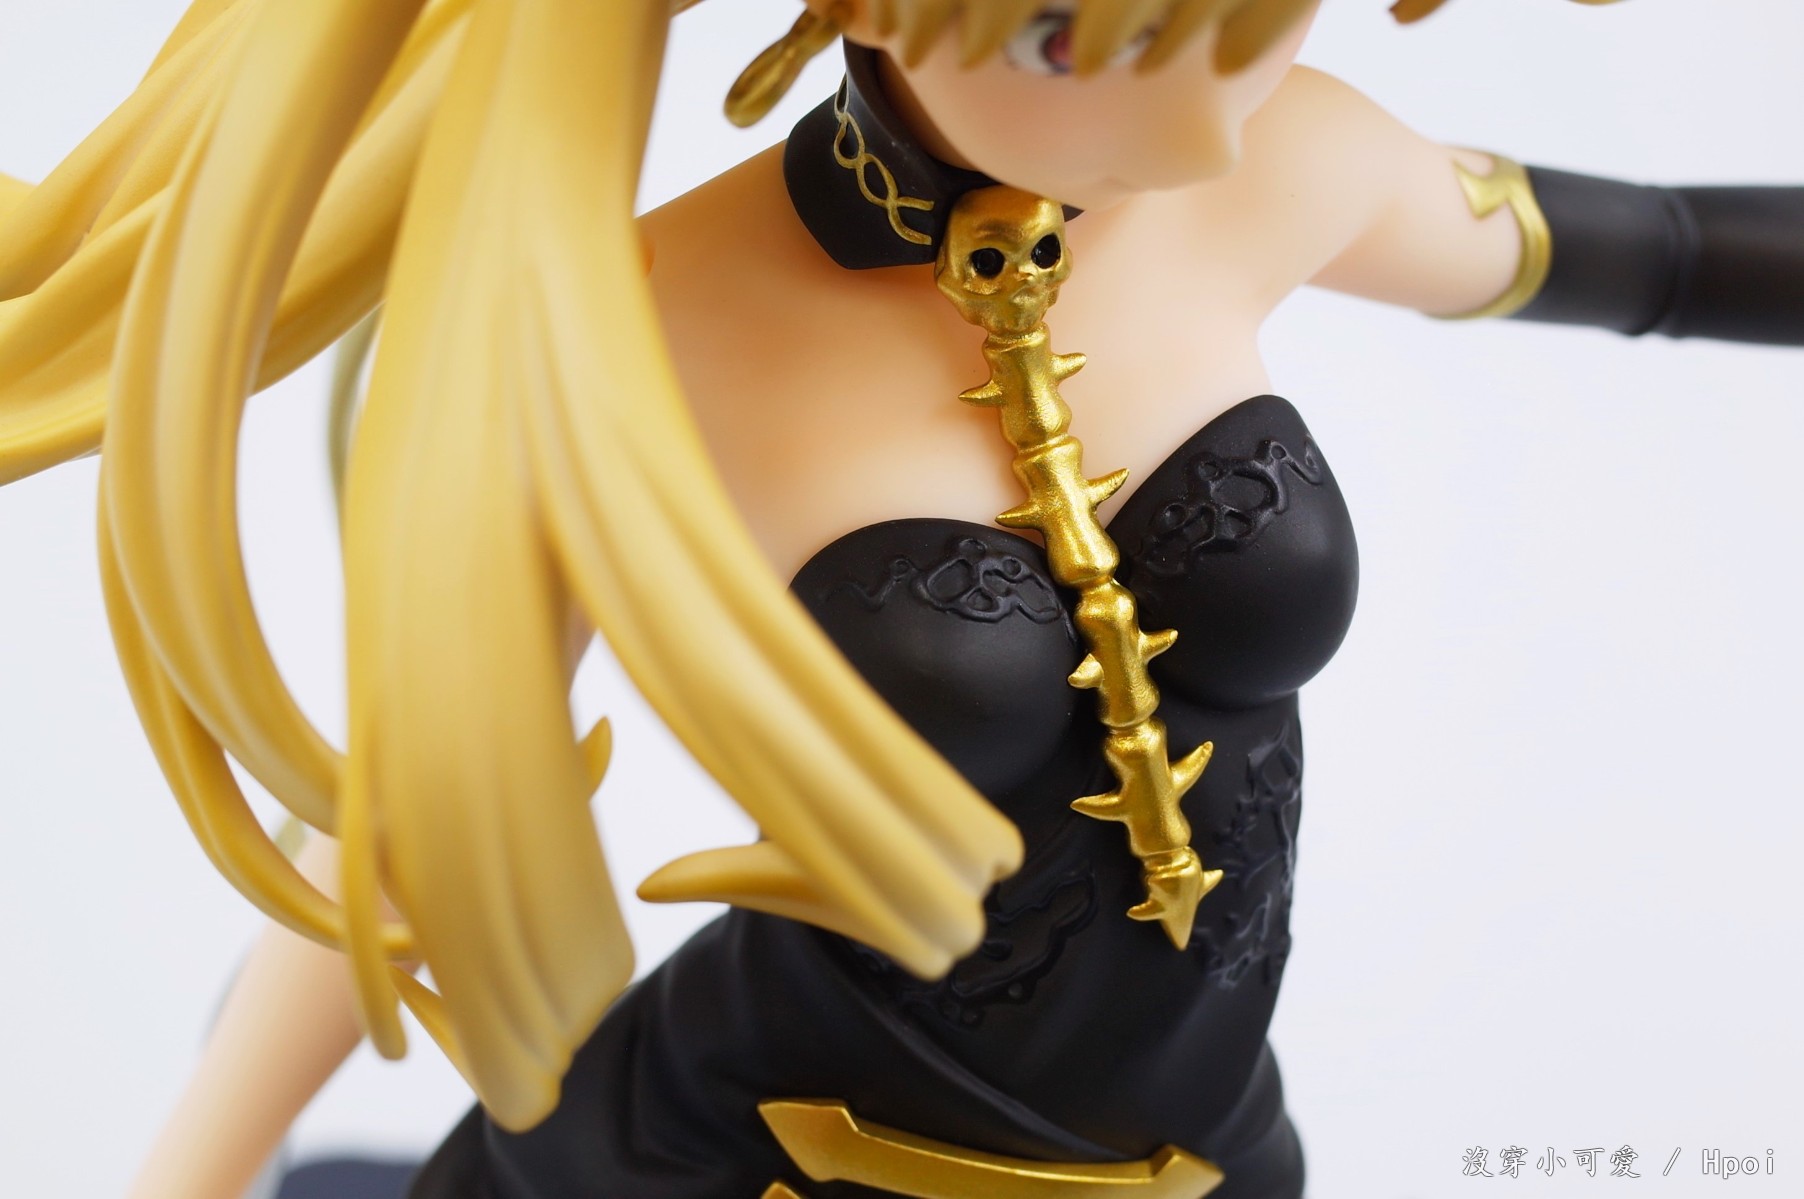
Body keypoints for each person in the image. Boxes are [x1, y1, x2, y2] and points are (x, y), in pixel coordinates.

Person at [1, 1, 1798, 1196]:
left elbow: (1663, 251)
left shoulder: (1282, 163)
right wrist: (187, 1177)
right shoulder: (632, 333)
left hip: (1204, 1152)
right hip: (770, 1158)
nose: (1194, 137)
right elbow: (407, 824)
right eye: (1067, 32)